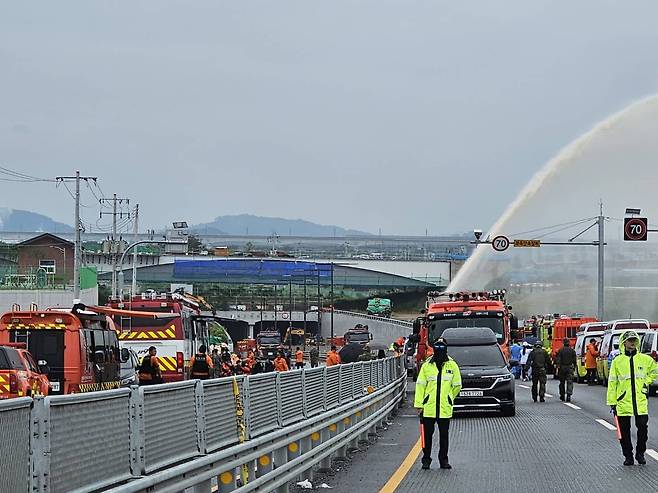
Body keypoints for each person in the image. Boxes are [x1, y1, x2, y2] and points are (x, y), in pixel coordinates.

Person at [607, 330, 658, 466]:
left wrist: (646, 382)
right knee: (624, 432)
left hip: (640, 401)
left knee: (643, 429)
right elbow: (612, 383)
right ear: (624, 342)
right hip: (623, 401)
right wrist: (612, 402)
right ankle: (628, 456)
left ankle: (640, 453)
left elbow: (655, 371)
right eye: (630, 340)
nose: (632, 343)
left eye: (634, 340)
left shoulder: (645, 359)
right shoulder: (618, 361)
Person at [414, 339, 462, 470]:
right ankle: (426, 459)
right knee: (427, 436)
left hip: (444, 408)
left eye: (442, 347)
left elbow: (457, 385)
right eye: (437, 347)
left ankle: (443, 460)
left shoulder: (452, 365)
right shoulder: (427, 365)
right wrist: (419, 405)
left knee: (444, 436)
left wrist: (448, 397)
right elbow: (420, 386)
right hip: (428, 408)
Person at [555, 338, 577, 402]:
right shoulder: (572, 350)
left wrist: (558, 367)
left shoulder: (560, 350)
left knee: (562, 382)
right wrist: (574, 366)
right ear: (569, 343)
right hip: (570, 367)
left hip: (562, 367)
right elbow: (574, 360)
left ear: (563, 343)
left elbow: (558, 359)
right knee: (569, 382)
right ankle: (568, 395)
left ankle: (562, 395)